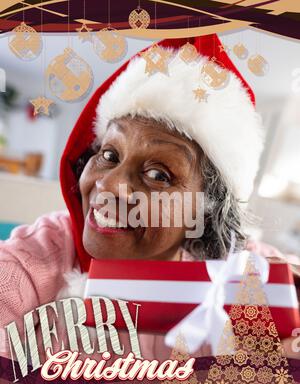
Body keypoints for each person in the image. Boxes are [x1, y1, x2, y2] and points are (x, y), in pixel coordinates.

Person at [0, 34, 298, 361]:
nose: (110, 185)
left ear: (206, 211)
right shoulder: (27, 265)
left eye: (158, 175)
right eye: (110, 155)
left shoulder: (246, 274)